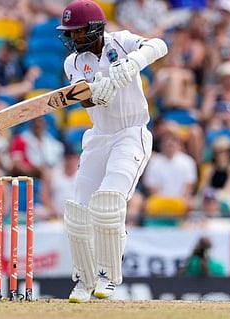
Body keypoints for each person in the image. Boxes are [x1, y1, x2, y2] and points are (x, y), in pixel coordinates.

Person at [56, 0, 167, 302]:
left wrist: (133, 63)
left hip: (131, 133)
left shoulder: (123, 40)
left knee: (108, 204)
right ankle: (83, 280)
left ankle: (107, 277)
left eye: (78, 32)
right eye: (70, 33)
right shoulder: (74, 63)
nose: (73, 39)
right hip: (98, 137)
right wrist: (98, 93)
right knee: (78, 212)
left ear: (95, 29)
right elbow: (84, 100)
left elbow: (159, 44)